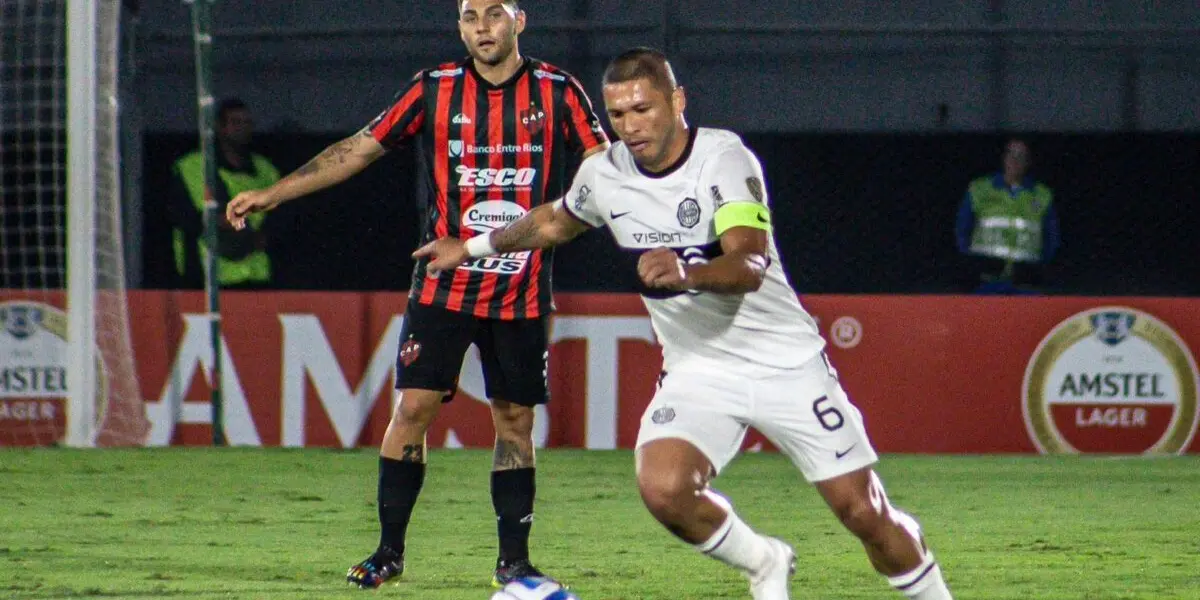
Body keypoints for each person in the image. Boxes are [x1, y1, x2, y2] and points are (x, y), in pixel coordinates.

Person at [416, 48, 954, 600]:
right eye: (618, 115)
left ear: (677, 102)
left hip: (785, 363)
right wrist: (472, 246)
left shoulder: (723, 159)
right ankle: (764, 560)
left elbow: (749, 263)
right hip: (699, 370)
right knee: (665, 488)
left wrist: (688, 272)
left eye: (643, 110)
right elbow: (554, 221)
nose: (630, 127)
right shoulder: (604, 173)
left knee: (864, 512)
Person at [225, 0, 608, 589]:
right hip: (443, 283)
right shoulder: (434, 89)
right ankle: (389, 552)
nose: (481, 26)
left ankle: (513, 564)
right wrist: (275, 192)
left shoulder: (559, 90)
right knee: (413, 410)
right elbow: (358, 148)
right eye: (468, 15)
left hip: (521, 288)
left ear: (519, 20)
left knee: (514, 420)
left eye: (493, 13)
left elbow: (603, 165)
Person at [169, 97, 279, 290]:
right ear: (219, 127)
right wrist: (219, 221)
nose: (242, 128)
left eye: (247, 123)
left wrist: (264, 235)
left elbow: (281, 218)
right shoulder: (193, 166)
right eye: (236, 122)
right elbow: (184, 218)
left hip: (256, 277)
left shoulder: (266, 170)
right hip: (206, 279)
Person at [955, 139, 1060, 294]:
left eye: (1021, 156)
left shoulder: (1042, 195)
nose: (1015, 160)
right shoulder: (980, 189)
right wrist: (974, 265)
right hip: (986, 280)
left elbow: (1052, 238)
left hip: (1025, 283)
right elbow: (962, 229)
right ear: (1004, 158)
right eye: (1011, 154)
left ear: (1028, 162)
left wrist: (1037, 268)